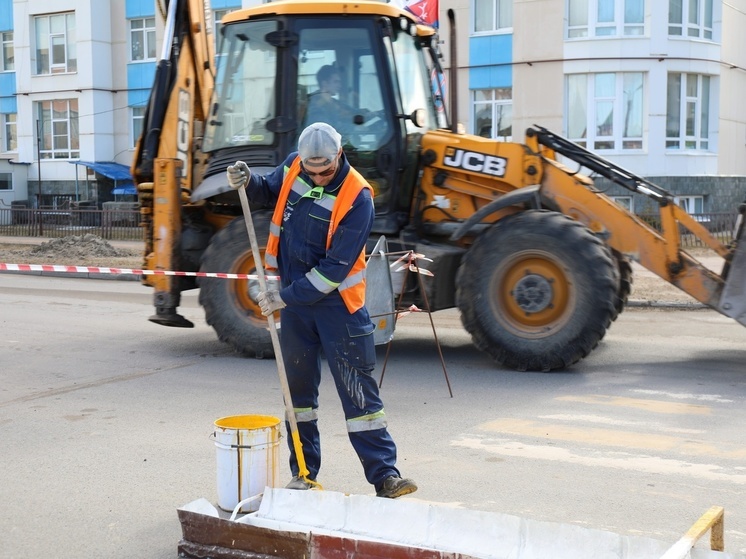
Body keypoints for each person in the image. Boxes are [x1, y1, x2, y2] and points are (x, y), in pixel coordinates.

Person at [226, 122, 417, 499]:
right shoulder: (296, 164)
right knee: (297, 395)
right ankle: (304, 475)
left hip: (338, 308)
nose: (317, 175)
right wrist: (248, 181)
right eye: (311, 170)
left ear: (339, 155)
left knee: (359, 396)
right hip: (298, 307)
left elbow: (334, 269)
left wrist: (285, 297)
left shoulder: (357, 197)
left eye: (324, 171)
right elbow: (267, 190)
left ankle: (385, 477)